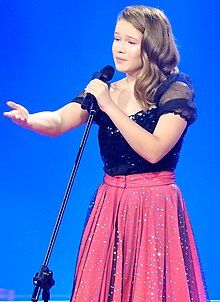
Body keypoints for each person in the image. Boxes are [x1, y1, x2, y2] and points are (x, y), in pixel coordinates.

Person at [3, 5, 209, 302]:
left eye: (130, 41)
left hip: (155, 205)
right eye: (116, 39)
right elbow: (61, 120)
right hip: (110, 203)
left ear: (151, 46)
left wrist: (110, 106)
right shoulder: (105, 90)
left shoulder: (175, 90)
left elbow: (154, 150)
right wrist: (30, 119)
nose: (119, 49)